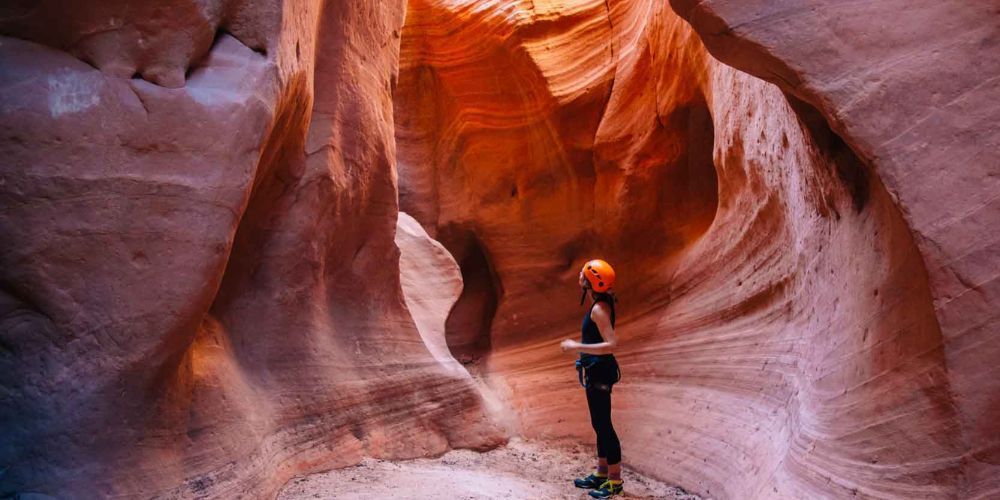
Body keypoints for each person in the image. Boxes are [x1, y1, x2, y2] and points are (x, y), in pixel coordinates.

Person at [560, 259, 623, 498]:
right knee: (599, 424)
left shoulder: (599, 309)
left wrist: (577, 346)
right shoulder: (599, 303)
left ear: (591, 282)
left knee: (604, 425)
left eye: (583, 273)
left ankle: (614, 481)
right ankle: (601, 473)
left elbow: (612, 345)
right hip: (596, 369)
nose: (580, 275)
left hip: (601, 370)